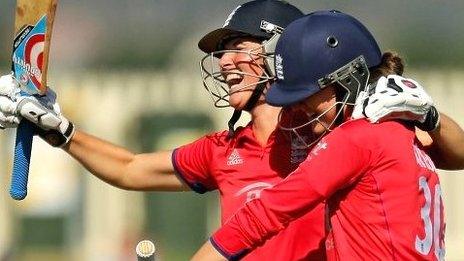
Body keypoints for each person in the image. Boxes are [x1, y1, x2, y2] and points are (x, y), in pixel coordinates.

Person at [0, 2, 462, 260]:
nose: (225, 63)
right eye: (221, 52)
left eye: (239, 47)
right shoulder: (226, 150)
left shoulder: (340, 131)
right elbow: (130, 168)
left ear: (287, 54)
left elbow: (453, 155)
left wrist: (432, 117)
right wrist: (60, 130)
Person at [191, 10, 461, 260]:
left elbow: (264, 214)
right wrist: (429, 115)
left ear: (347, 79)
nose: (296, 106)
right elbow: (458, 154)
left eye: (306, 95)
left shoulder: (356, 138)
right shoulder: (401, 131)